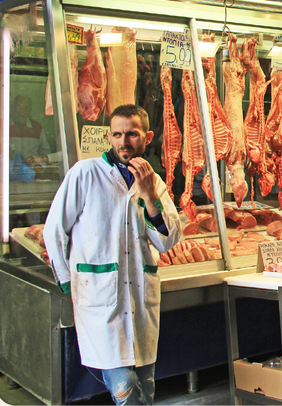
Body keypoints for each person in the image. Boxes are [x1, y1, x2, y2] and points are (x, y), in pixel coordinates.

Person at [44, 104, 181, 406]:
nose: (124, 142)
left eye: (132, 134)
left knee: (146, 387)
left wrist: (149, 195)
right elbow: (54, 230)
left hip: (141, 299)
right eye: (117, 134)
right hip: (98, 297)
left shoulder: (154, 183)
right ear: (109, 136)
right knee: (125, 389)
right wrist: (68, 282)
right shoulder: (85, 173)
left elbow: (167, 241)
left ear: (147, 137)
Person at [9, 94, 53, 169]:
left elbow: (45, 153)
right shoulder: (2, 127)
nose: (22, 112)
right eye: (18, 107)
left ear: (30, 111)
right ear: (12, 107)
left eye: (26, 108)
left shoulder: (37, 128)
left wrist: (40, 166)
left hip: (33, 172)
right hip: (8, 173)